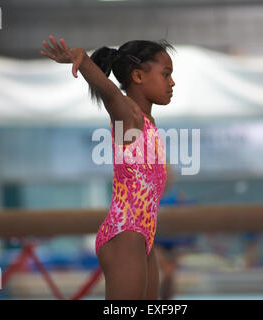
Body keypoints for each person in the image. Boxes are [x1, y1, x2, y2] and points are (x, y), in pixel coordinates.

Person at [40, 36, 175, 299]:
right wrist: (82, 57)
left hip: (143, 236)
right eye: (166, 74)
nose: (172, 82)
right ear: (137, 76)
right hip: (125, 232)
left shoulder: (147, 121)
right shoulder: (129, 115)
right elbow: (111, 93)